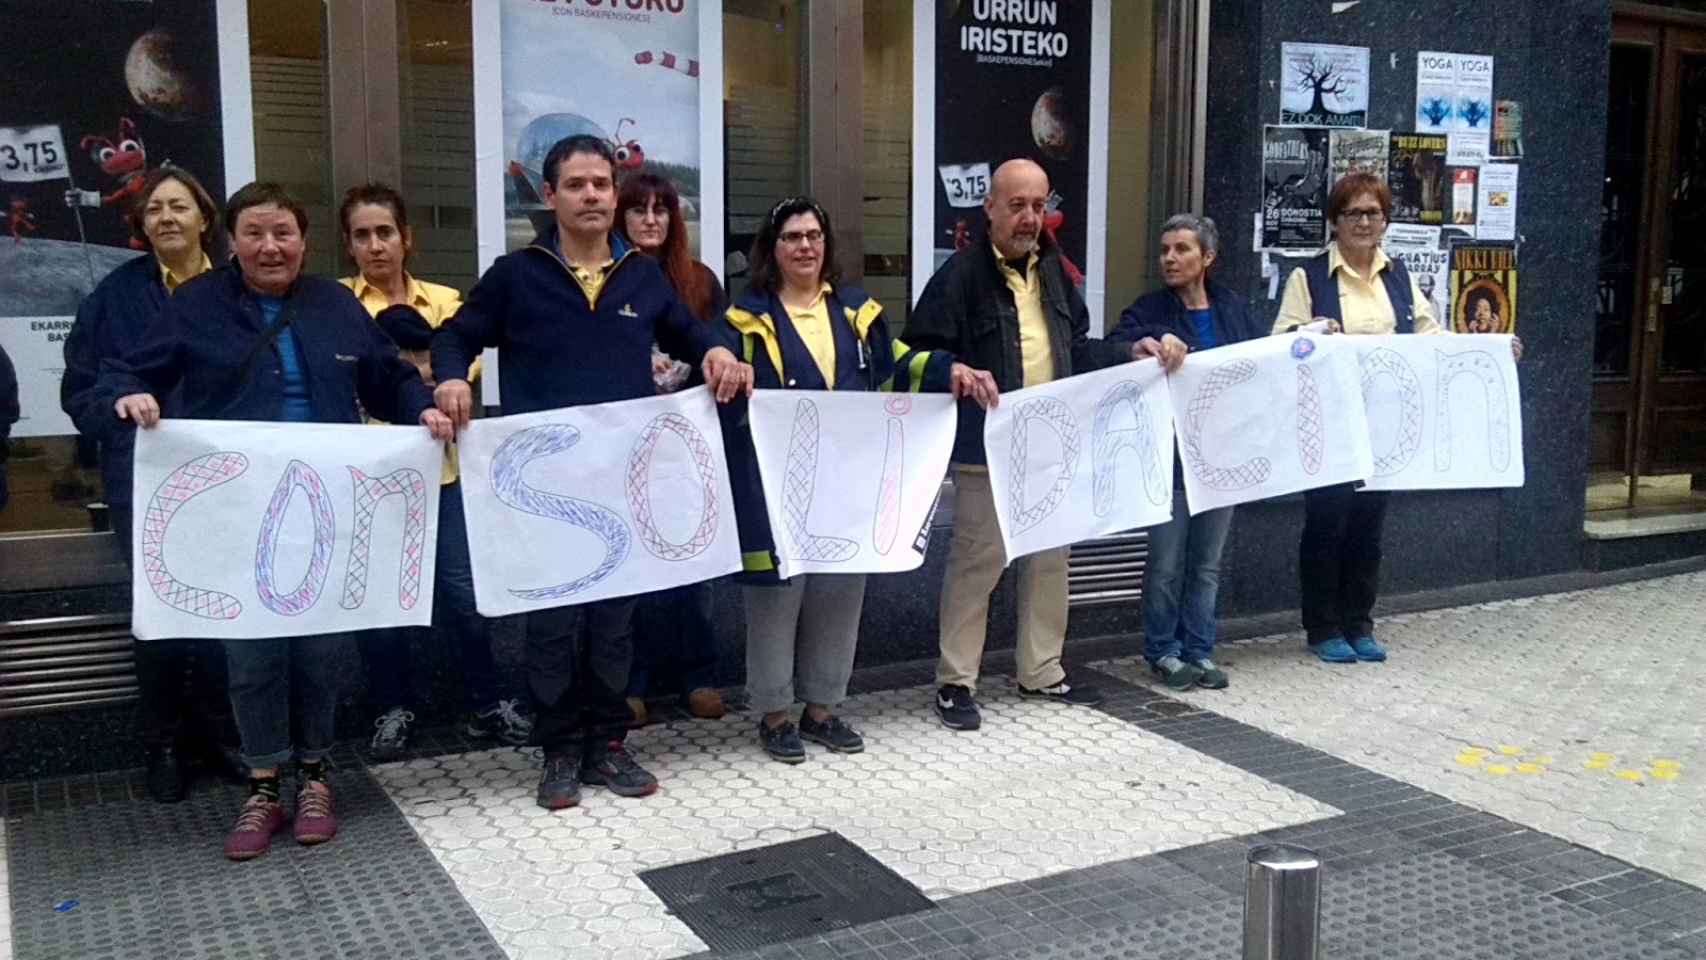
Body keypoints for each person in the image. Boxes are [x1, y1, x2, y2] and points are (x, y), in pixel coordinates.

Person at [101, 181, 452, 860]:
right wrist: (128, 395)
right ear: (231, 241)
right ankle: (263, 783)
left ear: (304, 241)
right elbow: (117, 372)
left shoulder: (336, 306)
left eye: (284, 233)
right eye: (255, 233)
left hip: (324, 511)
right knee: (253, 653)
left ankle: (316, 775)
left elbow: (387, 379)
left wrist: (422, 409)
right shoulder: (194, 306)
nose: (270, 247)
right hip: (239, 512)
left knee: (322, 653)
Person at [431, 135, 752, 810]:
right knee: (551, 625)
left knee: (613, 620)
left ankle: (607, 743)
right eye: (576, 185)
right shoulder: (517, 274)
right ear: (549, 197)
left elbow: (690, 334)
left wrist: (722, 351)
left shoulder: (641, 275)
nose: (592, 197)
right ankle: (557, 749)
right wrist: (453, 379)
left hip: (615, 483)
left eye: (602, 185)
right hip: (542, 490)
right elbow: (455, 334)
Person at [721, 196, 999, 762]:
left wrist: (954, 370)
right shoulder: (743, 318)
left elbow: (902, 362)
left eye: (814, 236)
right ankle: (775, 716)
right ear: (772, 250)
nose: (805, 246)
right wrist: (727, 366)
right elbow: (718, 368)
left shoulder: (858, 311)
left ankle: (822, 709)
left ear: (827, 245)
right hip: (775, 486)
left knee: (841, 593)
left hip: (848, 483)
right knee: (776, 597)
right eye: (792, 237)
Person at [904, 158, 1168, 731]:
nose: (1028, 218)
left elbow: (1076, 346)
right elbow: (914, 355)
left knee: (1051, 561)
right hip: (987, 450)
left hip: (1052, 444)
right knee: (978, 564)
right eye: (1016, 205)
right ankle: (956, 683)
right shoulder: (959, 277)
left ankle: (1042, 670)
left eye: (1038, 206)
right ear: (990, 209)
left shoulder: (1054, 273)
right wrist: (954, 370)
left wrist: (1131, 354)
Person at [1275, 172, 1519, 664]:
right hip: (1330, 424)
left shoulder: (1399, 276)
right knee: (1327, 525)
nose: (1363, 222)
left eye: (1373, 213)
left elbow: (1430, 336)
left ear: (1385, 220)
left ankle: (1359, 623)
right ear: (1335, 222)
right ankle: (1322, 627)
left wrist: (1492, 349)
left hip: (1385, 425)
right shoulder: (1308, 276)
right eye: (1352, 213)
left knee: (1368, 526)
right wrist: (1313, 330)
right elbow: (1283, 342)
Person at [59, 165, 244, 802]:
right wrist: (118, 406)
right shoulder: (112, 297)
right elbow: (79, 390)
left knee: (226, 611)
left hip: (228, 483)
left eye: (179, 207)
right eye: (154, 209)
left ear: (204, 218)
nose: (166, 218)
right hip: (144, 479)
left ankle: (226, 737)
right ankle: (164, 744)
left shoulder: (239, 291)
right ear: (141, 225)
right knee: (159, 617)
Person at [337, 183, 534, 760]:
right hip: (371, 479)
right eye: (362, 236)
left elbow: (454, 377)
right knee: (379, 601)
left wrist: (402, 372)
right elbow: (358, 380)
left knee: (462, 594)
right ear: (349, 246)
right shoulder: (338, 308)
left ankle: (487, 703)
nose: (376, 246)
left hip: (448, 476)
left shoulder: (449, 303)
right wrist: (413, 372)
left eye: (385, 233)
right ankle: (391, 709)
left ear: (407, 239)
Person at [1108, 214, 1262, 691]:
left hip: (1221, 458)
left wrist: (1309, 334)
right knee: (1167, 563)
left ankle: (1200, 648)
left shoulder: (1233, 309)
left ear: (1208, 257)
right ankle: (1163, 651)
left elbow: (1265, 356)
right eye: (1165, 249)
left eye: (1182, 249)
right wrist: (1141, 346)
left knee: (1207, 563)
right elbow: (1117, 343)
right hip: (1170, 458)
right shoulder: (1151, 308)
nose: (1169, 258)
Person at [614, 172, 729, 725]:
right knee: (632, 570)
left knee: (694, 566)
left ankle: (698, 676)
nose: (651, 219)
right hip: (624, 448)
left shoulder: (701, 281)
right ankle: (631, 684)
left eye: (662, 209)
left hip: (688, 447)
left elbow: (721, 348)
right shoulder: (606, 281)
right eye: (638, 209)